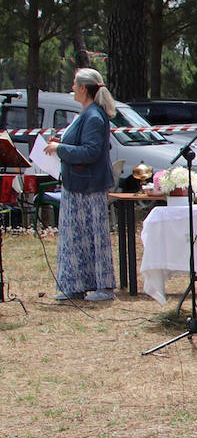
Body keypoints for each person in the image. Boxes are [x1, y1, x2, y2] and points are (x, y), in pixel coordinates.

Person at [43, 68, 117, 301]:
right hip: (76, 185)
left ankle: (103, 287)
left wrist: (59, 149)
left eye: (75, 84)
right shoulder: (86, 113)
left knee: (94, 236)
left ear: (83, 88)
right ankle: (75, 284)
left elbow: (91, 151)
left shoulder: (94, 116)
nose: (72, 88)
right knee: (75, 237)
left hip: (90, 186)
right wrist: (61, 142)